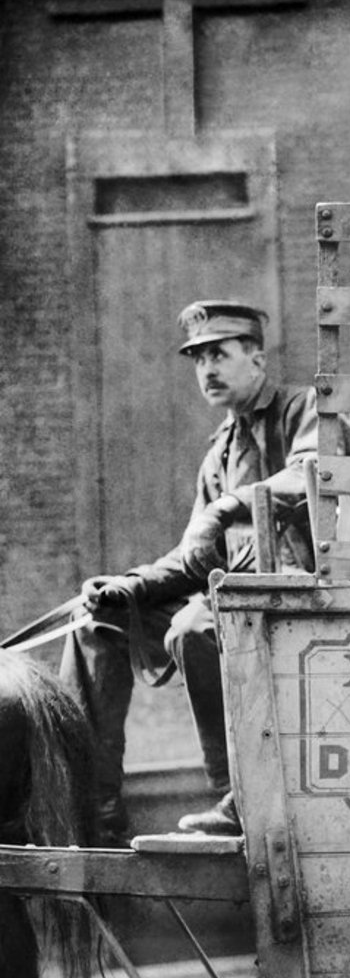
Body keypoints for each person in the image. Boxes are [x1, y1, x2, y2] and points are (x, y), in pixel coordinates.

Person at [59, 300, 317, 841]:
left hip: (301, 592)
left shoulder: (302, 408)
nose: (208, 370)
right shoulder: (218, 452)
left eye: (219, 355)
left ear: (257, 359)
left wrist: (230, 506)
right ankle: (94, 806)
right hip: (231, 594)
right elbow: (193, 559)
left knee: (196, 625)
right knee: (95, 624)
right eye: (198, 360)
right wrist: (129, 586)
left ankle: (239, 798)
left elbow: (311, 475)